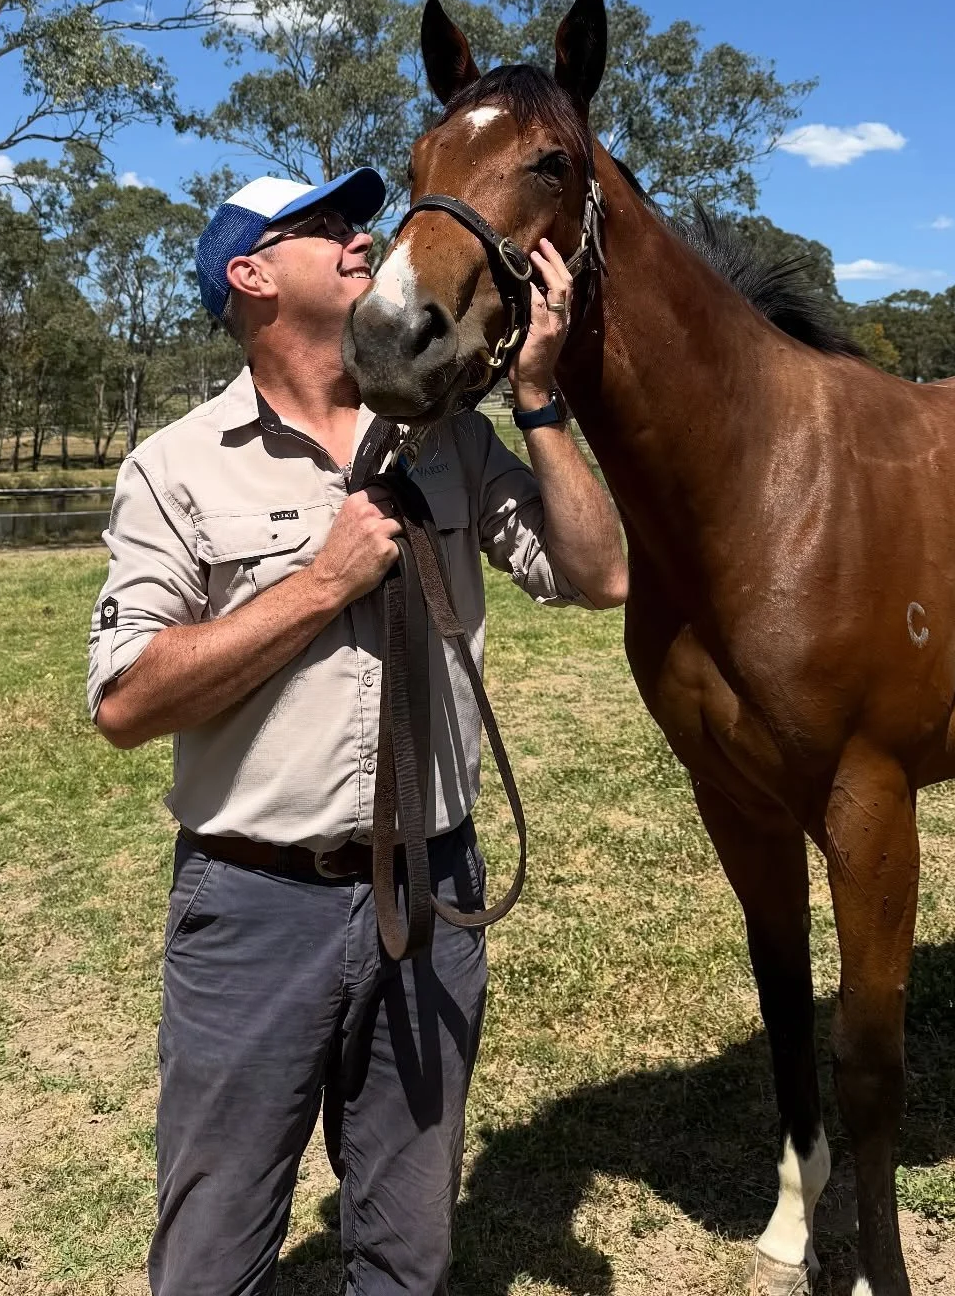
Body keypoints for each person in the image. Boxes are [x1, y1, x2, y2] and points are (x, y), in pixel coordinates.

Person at [87, 166, 627, 1296]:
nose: (361, 237)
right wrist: (319, 583)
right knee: (213, 1250)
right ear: (250, 274)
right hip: (252, 908)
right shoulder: (177, 468)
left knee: (408, 1246)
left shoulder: (451, 439)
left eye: (359, 221)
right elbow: (128, 702)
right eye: (326, 226)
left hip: (434, 894)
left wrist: (535, 399)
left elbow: (599, 573)